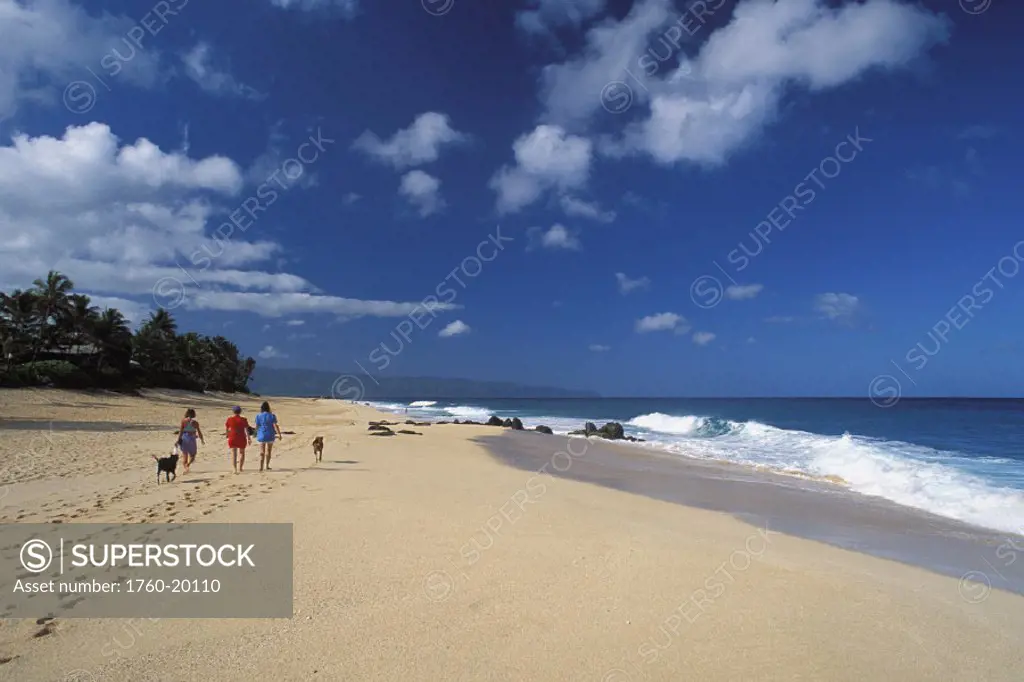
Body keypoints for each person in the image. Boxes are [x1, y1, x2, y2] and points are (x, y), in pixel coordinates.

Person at [255, 401, 283, 472]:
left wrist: (255, 433)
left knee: (262, 451)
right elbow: (275, 425)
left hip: (262, 434)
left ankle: (261, 467)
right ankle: (267, 466)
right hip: (270, 434)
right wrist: (279, 434)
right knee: (269, 451)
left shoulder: (258, 416)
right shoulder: (272, 416)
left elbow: (257, 426)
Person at [224, 406, 252, 474]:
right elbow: (246, 429)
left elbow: (227, 428)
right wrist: (249, 438)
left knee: (234, 454)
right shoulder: (243, 419)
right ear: (240, 411)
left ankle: (234, 468)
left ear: (233, 411)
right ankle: (241, 468)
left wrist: (227, 435)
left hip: (233, 437)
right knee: (242, 453)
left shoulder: (229, 419)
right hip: (241, 437)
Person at [178, 408, 205, 474]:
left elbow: (181, 431)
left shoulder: (183, 421)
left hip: (184, 438)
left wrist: (178, 440)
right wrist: (202, 439)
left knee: (185, 455)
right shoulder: (195, 423)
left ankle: (186, 468)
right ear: (193, 414)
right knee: (193, 455)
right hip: (192, 439)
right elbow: (199, 432)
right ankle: (188, 464)